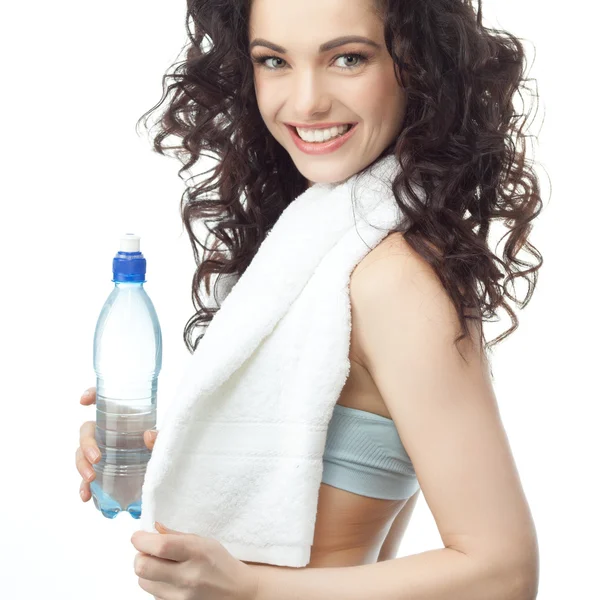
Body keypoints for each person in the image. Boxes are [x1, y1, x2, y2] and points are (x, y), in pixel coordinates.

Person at [76, 0, 542, 595]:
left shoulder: (393, 280)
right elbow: (314, 491)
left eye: (348, 57)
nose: (304, 102)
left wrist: (252, 591)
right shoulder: (318, 254)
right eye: (274, 61)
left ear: (419, 65)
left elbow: (503, 573)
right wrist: (145, 454)